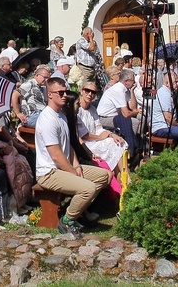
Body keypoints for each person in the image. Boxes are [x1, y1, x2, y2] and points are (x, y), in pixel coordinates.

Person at [34, 77, 110, 238]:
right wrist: (73, 172)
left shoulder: (61, 115)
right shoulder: (47, 119)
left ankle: (78, 211)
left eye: (66, 92)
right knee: (87, 188)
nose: (64, 96)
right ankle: (67, 220)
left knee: (103, 176)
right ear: (49, 95)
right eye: (60, 93)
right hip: (49, 172)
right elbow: (56, 155)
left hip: (64, 167)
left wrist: (76, 166)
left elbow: (69, 148)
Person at [76, 82, 127, 176]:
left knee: (117, 142)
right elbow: (83, 135)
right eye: (87, 91)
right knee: (112, 144)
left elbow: (99, 128)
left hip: (95, 140)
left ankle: (123, 175)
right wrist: (100, 137)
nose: (90, 94)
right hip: (85, 144)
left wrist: (111, 134)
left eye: (93, 92)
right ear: (82, 91)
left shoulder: (92, 109)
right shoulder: (77, 110)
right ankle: (124, 177)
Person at [96, 69, 140, 156]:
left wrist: (132, 91)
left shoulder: (125, 89)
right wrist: (135, 112)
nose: (135, 83)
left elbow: (133, 107)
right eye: (133, 80)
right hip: (104, 118)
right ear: (126, 81)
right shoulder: (118, 90)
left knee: (136, 122)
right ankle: (130, 149)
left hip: (114, 117)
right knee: (125, 119)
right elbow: (126, 114)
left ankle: (132, 145)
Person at [151, 71, 178, 141]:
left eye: (177, 81)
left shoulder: (168, 92)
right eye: (175, 82)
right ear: (167, 83)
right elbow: (168, 117)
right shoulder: (164, 94)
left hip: (167, 125)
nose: (177, 84)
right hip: (162, 127)